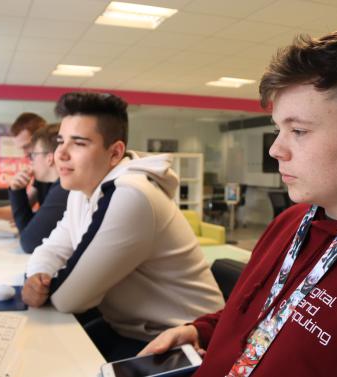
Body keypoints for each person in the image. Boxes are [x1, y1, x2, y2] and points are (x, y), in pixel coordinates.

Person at [140, 30, 337, 377]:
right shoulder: (290, 223)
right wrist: (204, 331)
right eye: (278, 130)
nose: (276, 150)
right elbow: (266, 313)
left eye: (298, 131)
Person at [22, 92, 224, 361]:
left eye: (79, 143)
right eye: (60, 141)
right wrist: (37, 274)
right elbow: (52, 246)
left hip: (182, 345)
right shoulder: (81, 192)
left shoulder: (131, 194)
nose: (61, 154)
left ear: (115, 152)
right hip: (131, 331)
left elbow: (69, 298)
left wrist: (40, 288)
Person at [0, 112, 46, 232]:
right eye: (22, 148)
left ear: (43, 139)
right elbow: (24, 206)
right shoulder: (40, 174)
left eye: (27, 146)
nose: (25, 154)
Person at [9, 123, 68, 253]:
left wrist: (17, 193)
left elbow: (29, 243)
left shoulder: (65, 189)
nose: (30, 161)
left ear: (49, 158)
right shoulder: (58, 186)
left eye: (33, 155)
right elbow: (28, 230)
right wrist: (17, 191)